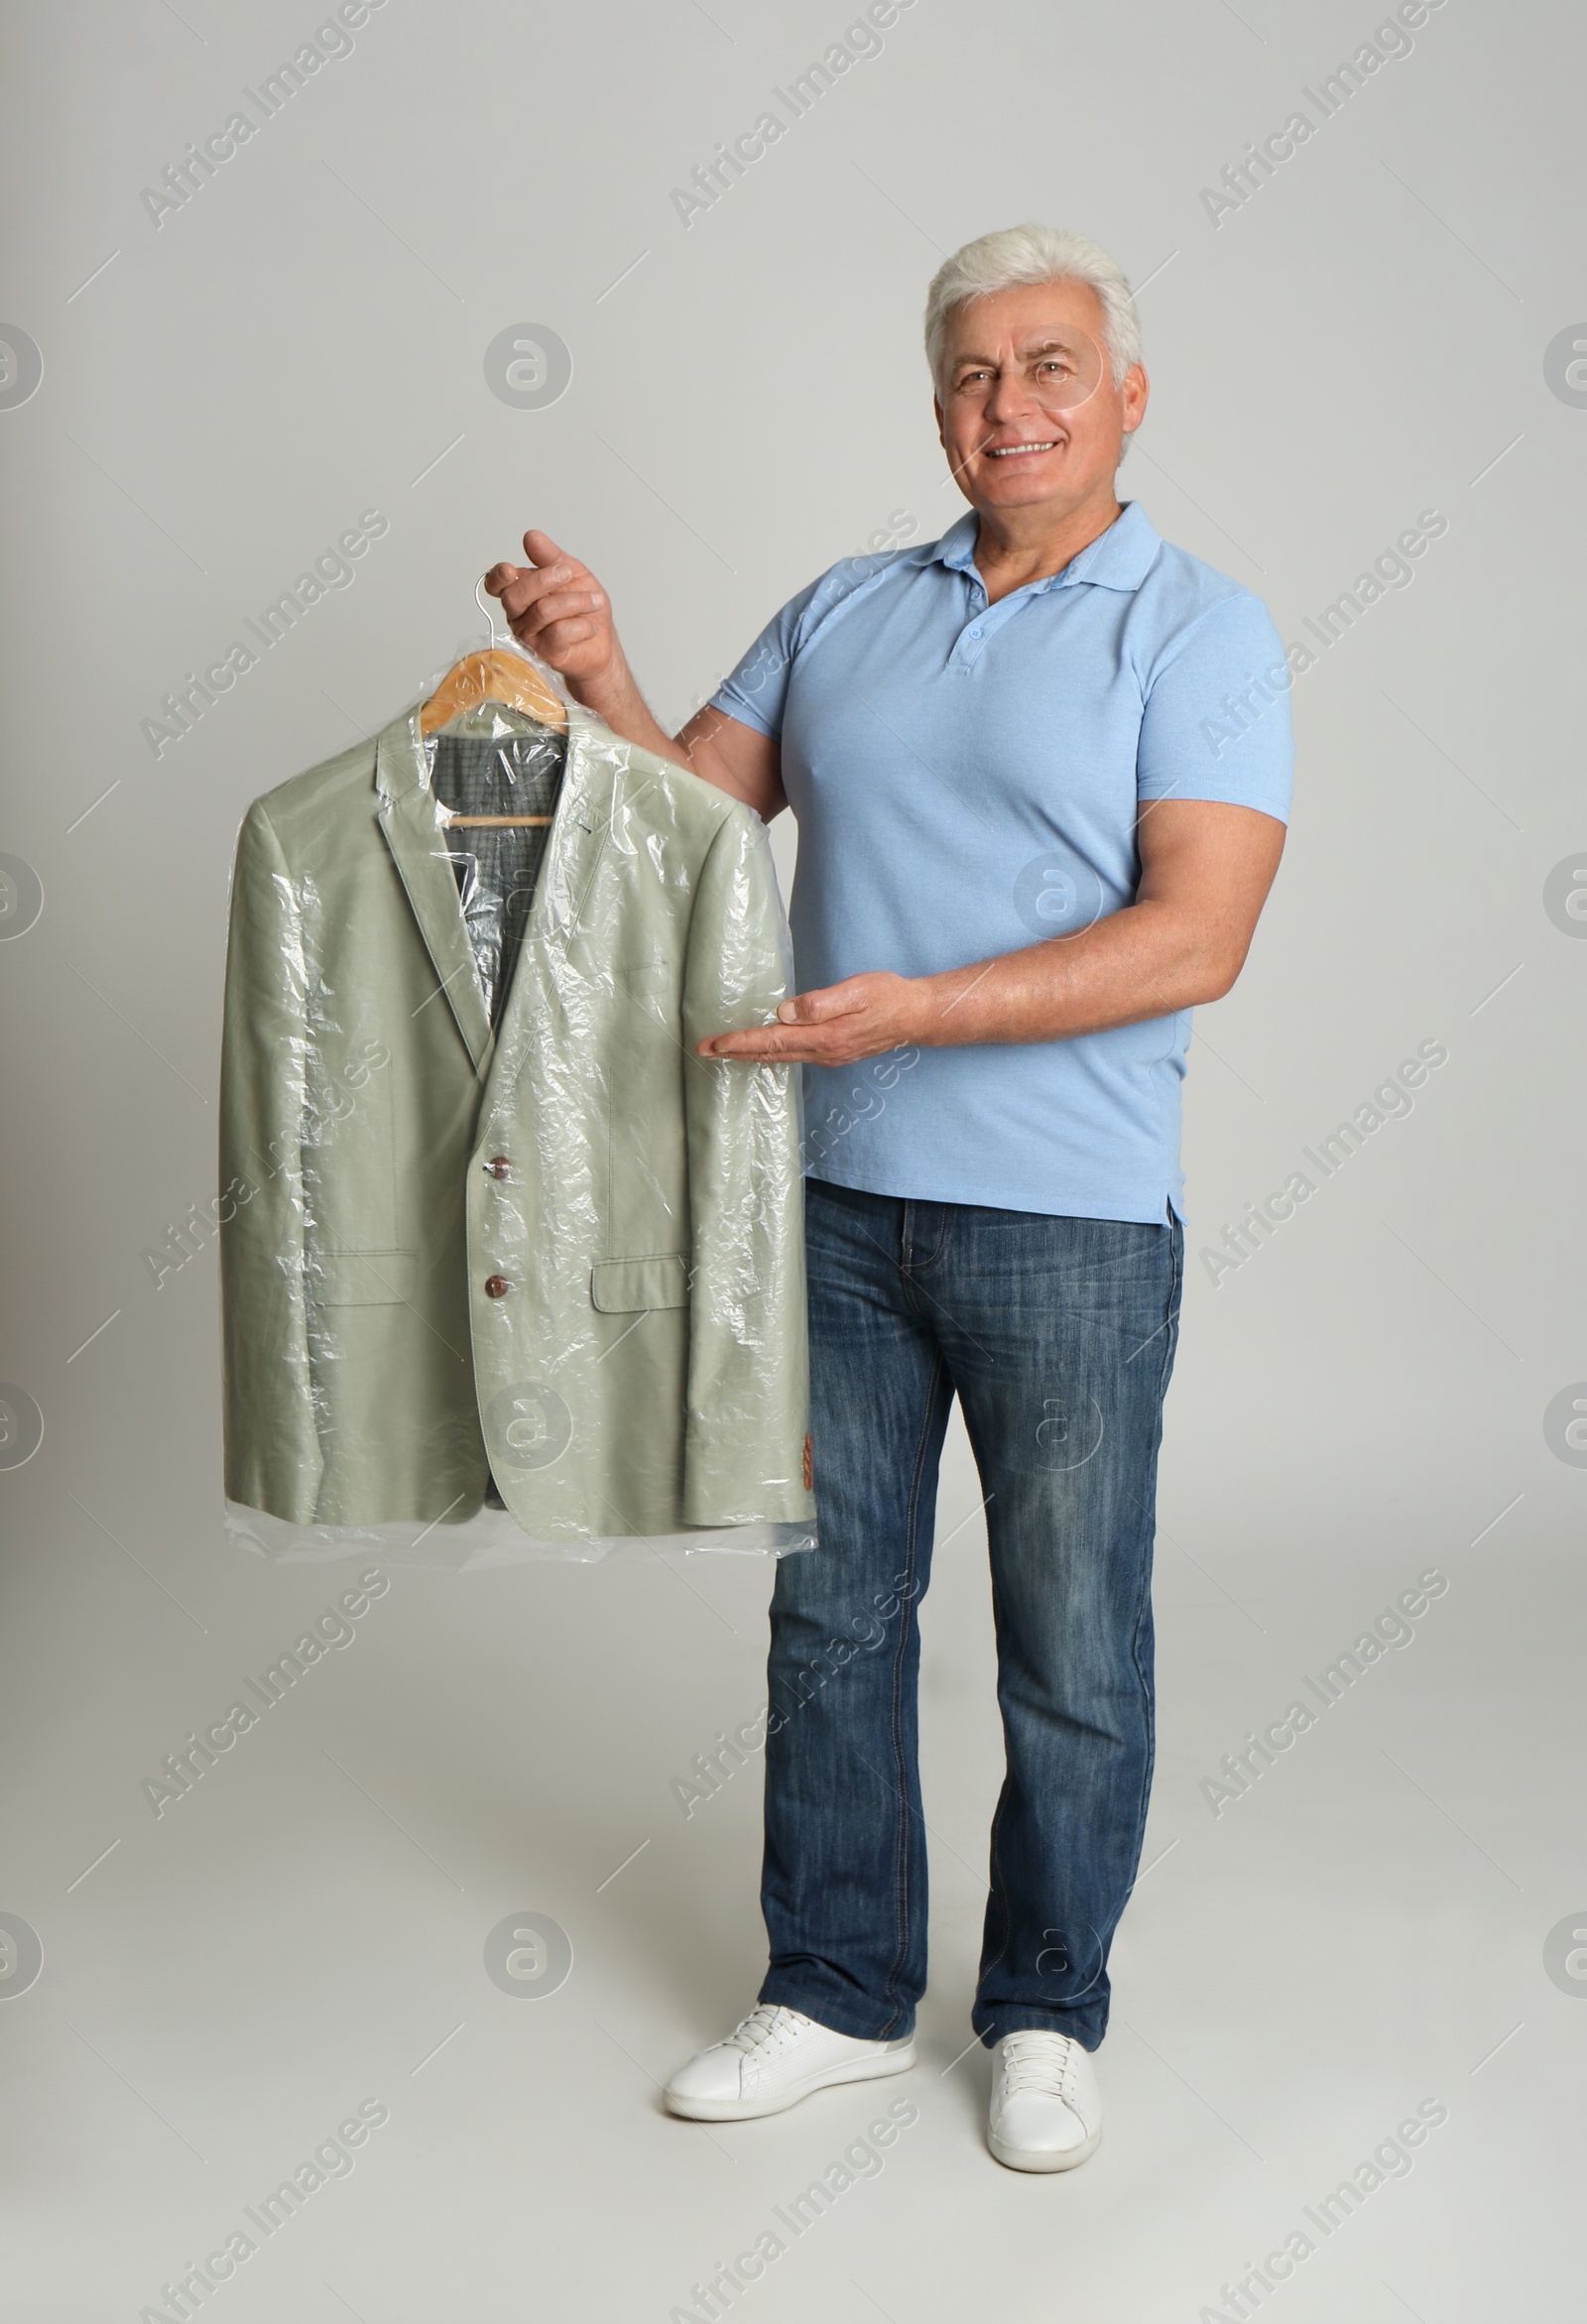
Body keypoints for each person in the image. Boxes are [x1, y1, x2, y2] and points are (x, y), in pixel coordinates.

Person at [486, 222, 1292, 2173]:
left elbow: (1195, 936)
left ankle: (1039, 2008)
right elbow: (675, 830)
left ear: (1123, 393)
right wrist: (595, 668)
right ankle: (838, 1985)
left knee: (1068, 1639)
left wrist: (916, 1010)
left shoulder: (1194, 628)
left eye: (1045, 365)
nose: (1004, 405)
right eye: (966, 374)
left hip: (1069, 1223)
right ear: (933, 402)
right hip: (828, 1207)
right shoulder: (844, 607)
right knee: (830, 1615)